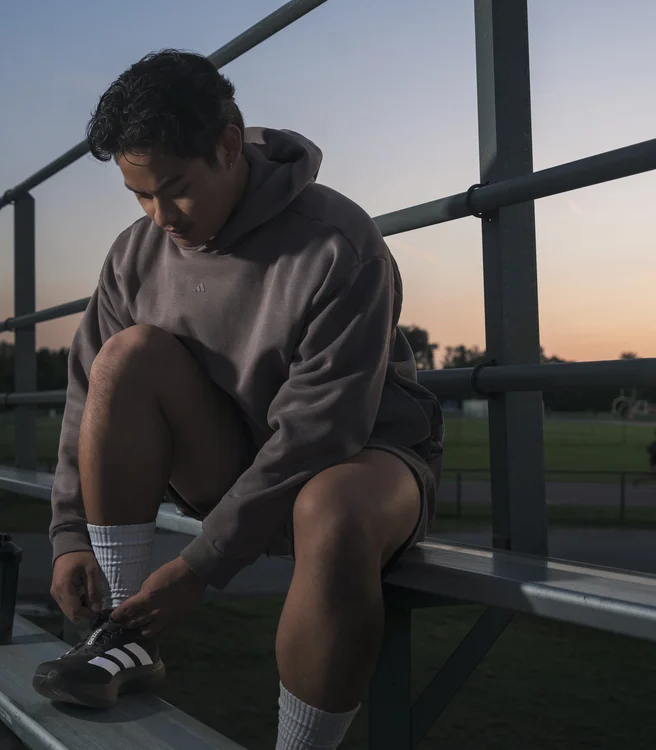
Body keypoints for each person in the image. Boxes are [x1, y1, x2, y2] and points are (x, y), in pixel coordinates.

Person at [33, 50, 443, 750]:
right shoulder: (134, 254)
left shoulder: (339, 242)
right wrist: (70, 536)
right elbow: (86, 395)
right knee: (125, 356)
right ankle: (123, 636)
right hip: (230, 458)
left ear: (228, 145)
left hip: (362, 460)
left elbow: (323, 432)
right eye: (139, 194)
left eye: (176, 188)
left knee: (332, 508)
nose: (159, 214)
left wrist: (200, 567)